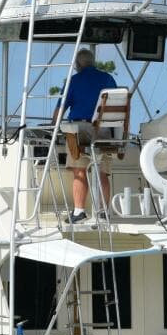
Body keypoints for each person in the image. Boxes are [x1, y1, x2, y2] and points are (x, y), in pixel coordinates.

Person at [58, 46, 116, 222]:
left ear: (77, 65)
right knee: (102, 172)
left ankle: (79, 212)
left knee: (79, 169)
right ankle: (103, 213)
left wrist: (55, 126)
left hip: (81, 129)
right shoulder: (108, 78)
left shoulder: (74, 81)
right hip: (104, 131)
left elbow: (60, 111)